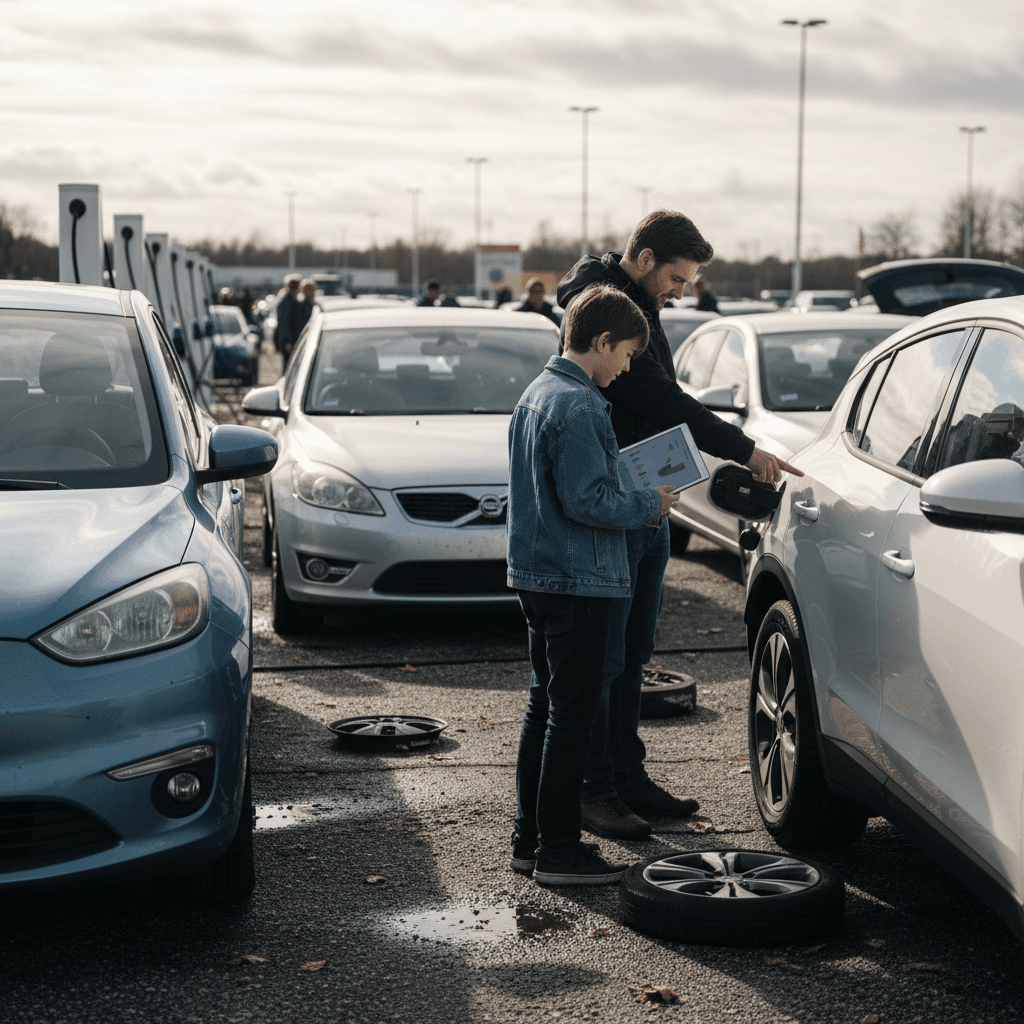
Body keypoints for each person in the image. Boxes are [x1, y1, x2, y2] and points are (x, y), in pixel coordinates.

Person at [555, 209, 801, 840]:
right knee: (608, 660)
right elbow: (662, 399)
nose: (681, 292)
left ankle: (627, 777)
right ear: (642, 260)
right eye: (676, 277)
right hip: (618, 509)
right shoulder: (604, 313)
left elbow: (662, 398)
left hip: (650, 502)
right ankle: (596, 791)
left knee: (634, 653)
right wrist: (742, 449)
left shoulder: (642, 308)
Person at [507, 283, 679, 884]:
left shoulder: (536, 393)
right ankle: (559, 851)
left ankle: (529, 841)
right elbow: (588, 499)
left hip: (538, 576)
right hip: (579, 580)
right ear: (601, 342)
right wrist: (648, 503)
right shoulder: (580, 406)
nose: (627, 369)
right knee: (571, 720)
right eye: (627, 355)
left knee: (544, 709)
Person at [273, 275, 302, 360]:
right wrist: (287, 342)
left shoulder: (292, 300)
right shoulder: (286, 302)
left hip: (293, 340)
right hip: (289, 342)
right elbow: (284, 323)